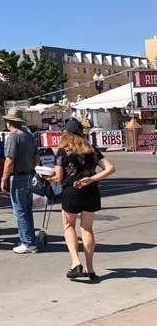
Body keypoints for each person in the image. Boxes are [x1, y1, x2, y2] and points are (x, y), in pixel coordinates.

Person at [51, 119, 116, 281]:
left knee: (68, 225)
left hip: (71, 191)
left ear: (66, 133)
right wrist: (92, 179)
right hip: (91, 191)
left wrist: (47, 176)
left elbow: (58, 177)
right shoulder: (92, 150)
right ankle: (90, 268)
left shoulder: (62, 151)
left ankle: (75, 263)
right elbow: (110, 168)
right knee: (87, 229)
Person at [1, 108, 40, 254]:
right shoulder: (28, 135)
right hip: (30, 174)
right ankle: (28, 239)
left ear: (9, 122)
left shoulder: (12, 136)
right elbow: (37, 156)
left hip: (18, 176)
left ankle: (28, 243)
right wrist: (35, 171)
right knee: (27, 210)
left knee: (20, 211)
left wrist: (4, 177)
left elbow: (9, 159)